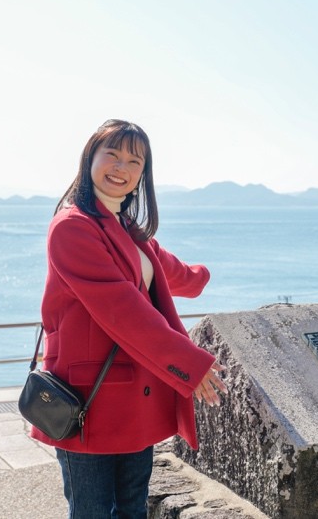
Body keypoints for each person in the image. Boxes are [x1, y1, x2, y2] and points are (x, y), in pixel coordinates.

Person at [30, 119, 227, 519]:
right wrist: (190, 363)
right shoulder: (72, 227)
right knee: (92, 511)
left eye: (135, 161)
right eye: (113, 155)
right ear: (90, 158)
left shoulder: (126, 227)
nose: (122, 168)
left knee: (133, 509)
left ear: (143, 175)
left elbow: (170, 272)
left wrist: (206, 274)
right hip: (88, 398)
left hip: (136, 396)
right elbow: (123, 309)